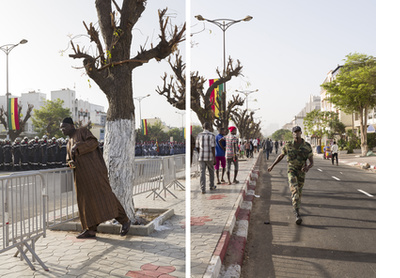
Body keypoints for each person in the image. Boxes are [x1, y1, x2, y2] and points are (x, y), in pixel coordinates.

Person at [60, 117, 131, 238]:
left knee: (106, 197)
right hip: (81, 177)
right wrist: (70, 163)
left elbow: (93, 143)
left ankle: (125, 221)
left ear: (72, 126)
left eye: (64, 127)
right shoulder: (68, 142)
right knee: (86, 203)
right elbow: (69, 159)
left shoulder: (82, 132)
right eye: (61, 129)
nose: (62, 130)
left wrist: (79, 146)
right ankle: (90, 230)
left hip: (95, 173)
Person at [268, 126, 313, 225]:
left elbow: (311, 162)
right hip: (291, 170)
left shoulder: (307, 146)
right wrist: (272, 166)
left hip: (301, 172)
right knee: (295, 189)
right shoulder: (288, 145)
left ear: (301, 132)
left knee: (299, 192)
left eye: (298, 132)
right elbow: (280, 156)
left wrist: (307, 167)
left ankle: (296, 207)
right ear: (292, 134)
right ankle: (297, 213)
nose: (296, 134)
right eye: (294, 132)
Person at [195, 122, 216, 194]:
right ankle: (212, 186)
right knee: (211, 171)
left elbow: (197, 147)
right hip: (209, 156)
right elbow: (213, 147)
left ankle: (203, 189)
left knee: (202, 173)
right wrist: (214, 158)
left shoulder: (199, 135)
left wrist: (201, 153)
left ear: (202, 127)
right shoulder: (212, 135)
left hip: (201, 157)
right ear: (209, 127)